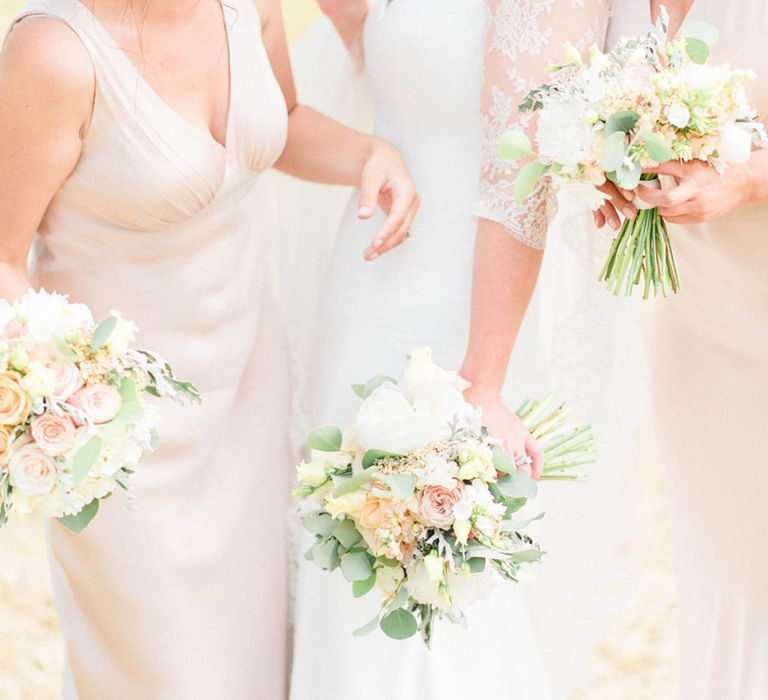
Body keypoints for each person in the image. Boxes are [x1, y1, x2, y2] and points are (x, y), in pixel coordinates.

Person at [0, 0, 418, 697]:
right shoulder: (55, 52)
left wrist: (370, 154)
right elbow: (3, 253)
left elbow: (279, 124)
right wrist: (53, 402)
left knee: (255, 662)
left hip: (248, 396)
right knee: (159, 672)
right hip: (119, 439)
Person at [289, 1, 609, 698]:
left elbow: (522, 182)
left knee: (438, 586)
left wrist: (482, 382)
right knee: (344, 569)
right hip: (365, 284)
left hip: (466, 315)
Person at [469, 0, 768, 697]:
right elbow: (522, 153)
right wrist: (482, 382)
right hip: (708, 333)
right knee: (737, 592)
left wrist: (751, 175)